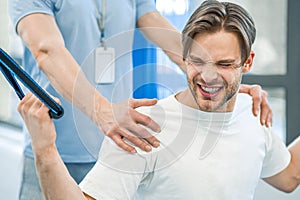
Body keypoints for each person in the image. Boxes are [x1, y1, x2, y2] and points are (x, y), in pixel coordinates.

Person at [10, 0, 272, 199]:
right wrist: (102, 111)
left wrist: (220, 81)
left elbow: (154, 22)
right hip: (58, 144)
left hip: (119, 146)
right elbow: (46, 50)